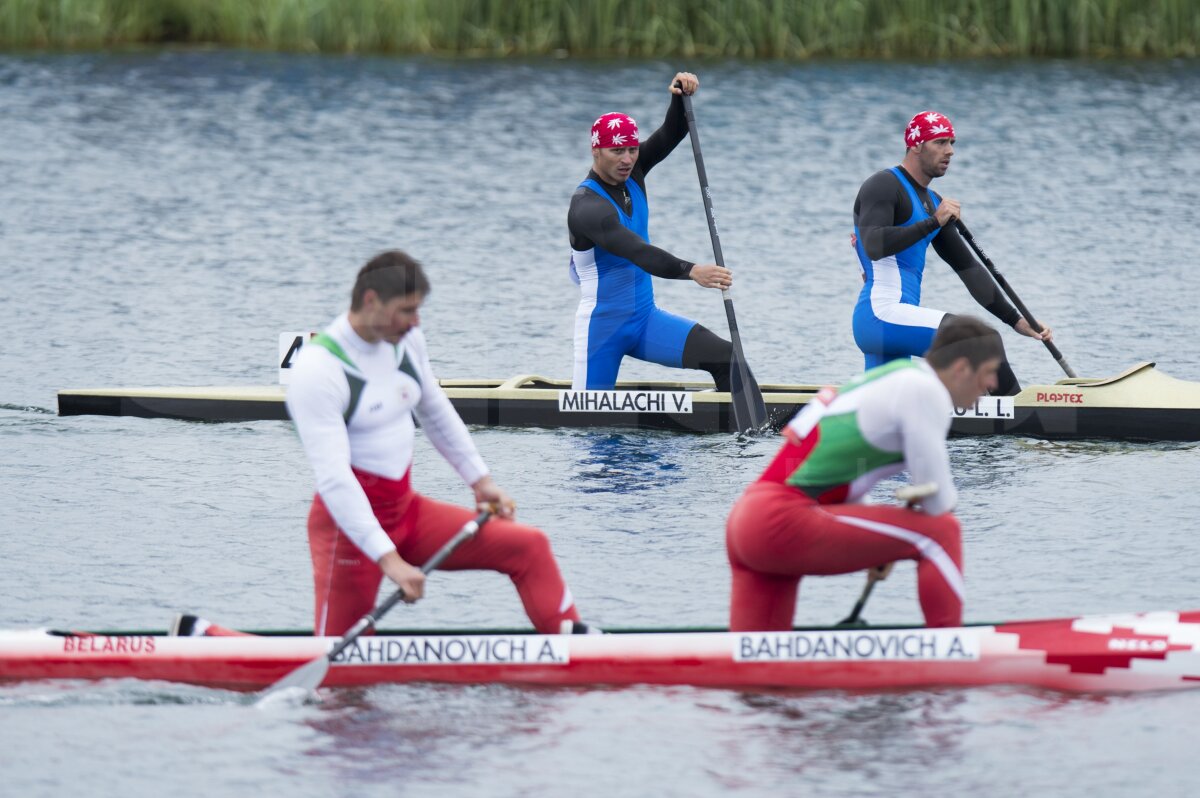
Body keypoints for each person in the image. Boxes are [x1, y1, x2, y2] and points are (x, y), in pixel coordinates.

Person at [284, 251, 593, 636]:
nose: (416, 321)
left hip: (407, 514)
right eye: (407, 310)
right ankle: (204, 639)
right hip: (349, 535)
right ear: (370, 301)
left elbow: (435, 411)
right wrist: (389, 560)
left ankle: (574, 645)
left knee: (528, 546)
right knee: (342, 673)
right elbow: (333, 479)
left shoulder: (406, 341)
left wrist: (481, 481)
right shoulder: (318, 370)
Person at [726, 315, 1006, 631]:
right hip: (782, 521)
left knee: (758, 660)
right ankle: (952, 649)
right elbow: (938, 503)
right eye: (989, 373)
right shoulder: (925, 390)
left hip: (748, 523)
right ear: (961, 368)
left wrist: (876, 546)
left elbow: (847, 475)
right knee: (941, 533)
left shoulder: (893, 378)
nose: (993, 385)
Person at [851, 110, 1053, 395]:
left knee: (884, 408)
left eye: (952, 143)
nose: (950, 152)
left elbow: (969, 270)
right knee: (983, 342)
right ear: (916, 145)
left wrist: (1017, 320)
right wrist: (934, 222)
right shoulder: (884, 185)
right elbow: (873, 245)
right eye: (941, 142)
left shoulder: (933, 202)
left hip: (895, 321)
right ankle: (1017, 416)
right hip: (881, 315)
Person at [568, 71, 739, 391]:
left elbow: (672, 132)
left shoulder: (635, 169)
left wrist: (679, 97)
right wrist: (692, 271)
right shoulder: (587, 207)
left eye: (632, 149)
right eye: (616, 151)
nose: (627, 159)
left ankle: (734, 437)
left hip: (645, 321)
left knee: (725, 357)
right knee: (590, 432)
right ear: (596, 151)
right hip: (601, 331)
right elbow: (638, 252)